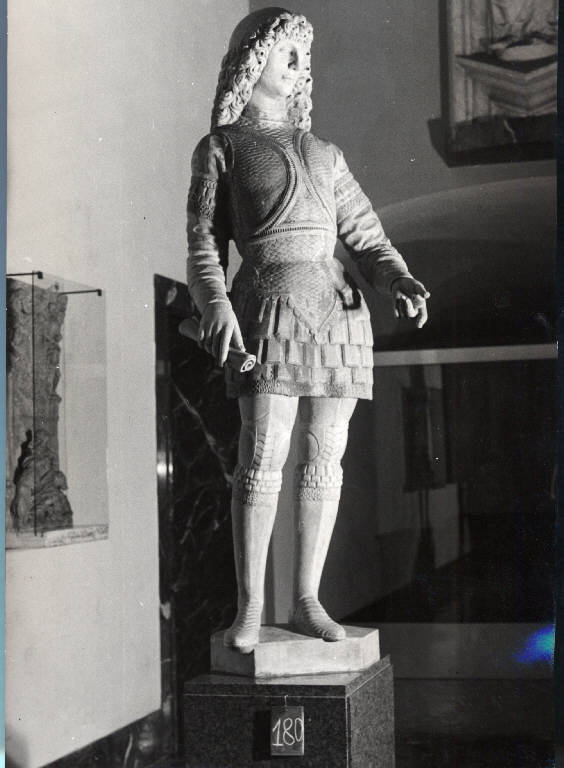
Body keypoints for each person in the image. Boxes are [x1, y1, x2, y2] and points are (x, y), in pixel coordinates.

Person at [186, 7, 429, 653]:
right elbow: (204, 244)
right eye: (286, 52)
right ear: (252, 60)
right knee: (262, 455)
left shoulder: (326, 154)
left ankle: (306, 600)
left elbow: (367, 236)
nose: (299, 65)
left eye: (303, 56)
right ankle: (250, 607)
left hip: (338, 314)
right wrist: (214, 302)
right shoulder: (221, 148)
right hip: (267, 307)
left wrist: (399, 279)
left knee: (324, 458)